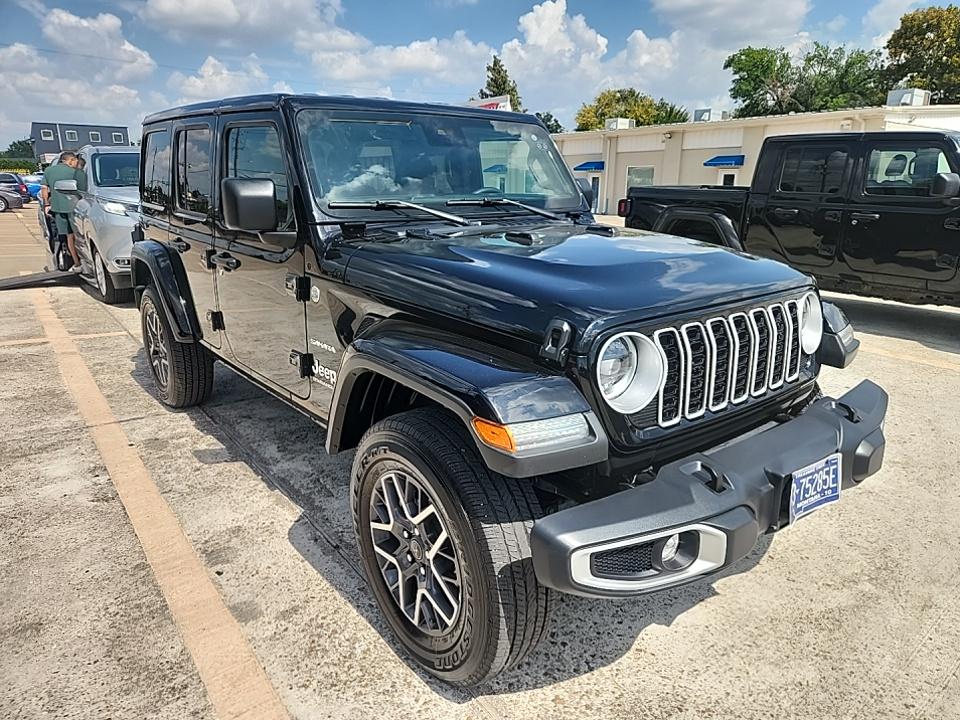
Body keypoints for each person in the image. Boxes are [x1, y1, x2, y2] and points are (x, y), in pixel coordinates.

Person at [41, 151, 82, 272]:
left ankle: (73, 261)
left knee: (66, 236)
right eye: (75, 161)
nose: (76, 164)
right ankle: (78, 261)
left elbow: (44, 189)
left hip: (57, 209)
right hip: (75, 208)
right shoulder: (75, 172)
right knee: (75, 235)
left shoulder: (49, 170)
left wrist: (47, 204)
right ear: (70, 160)